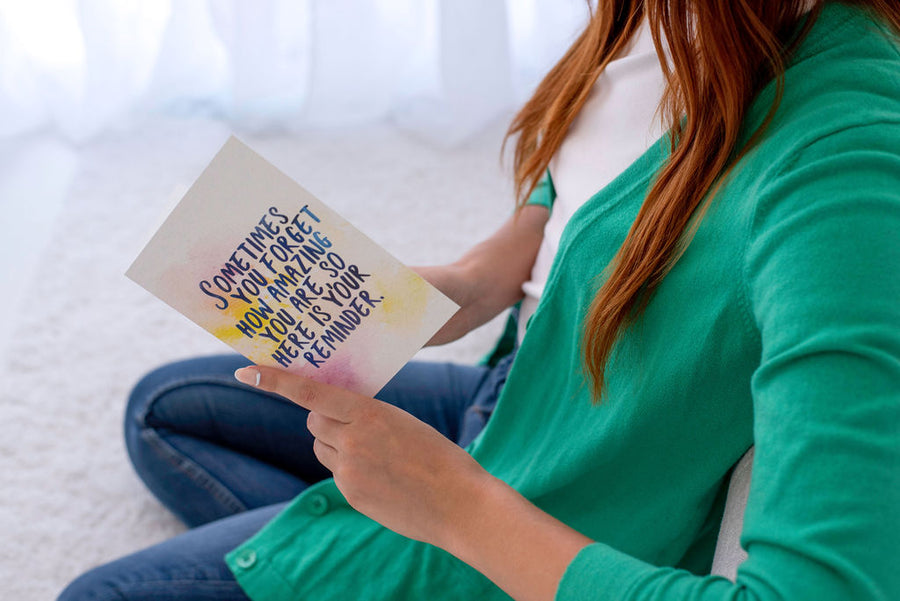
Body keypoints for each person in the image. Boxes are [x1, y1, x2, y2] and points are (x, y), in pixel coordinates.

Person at [59, 1, 900, 600]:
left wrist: (448, 505)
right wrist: (458, 286)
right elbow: (561, 201)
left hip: (563, 486)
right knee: (167, 410)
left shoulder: (844, 162)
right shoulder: (648, 21)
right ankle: (362, 540)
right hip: (529, 386)